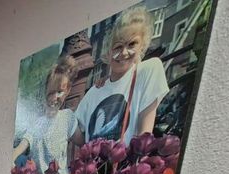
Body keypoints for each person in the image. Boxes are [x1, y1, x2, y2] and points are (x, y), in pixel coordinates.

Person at [72, 6, 169, 148]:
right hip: (96, 162)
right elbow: (81, 139)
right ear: (109, 52)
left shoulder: (149, 70)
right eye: (118, 47)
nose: (124, 52)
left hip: (127, 161)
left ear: (142, 46)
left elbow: (144, 137)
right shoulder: (94, 91)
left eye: (132, 44)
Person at [12, 64, 78, 174]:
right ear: (45, 90)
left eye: (59, 92)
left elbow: (85, 144)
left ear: (67, 91)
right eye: (51, 92)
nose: (54, 98)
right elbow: (20, 148)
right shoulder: (36, 123)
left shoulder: (67, 117)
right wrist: (12, 160)